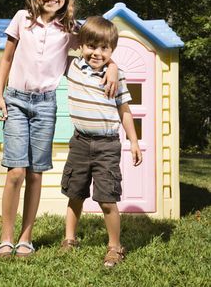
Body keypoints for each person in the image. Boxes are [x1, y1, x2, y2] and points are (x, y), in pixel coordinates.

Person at [0, 0, 119, 258]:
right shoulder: (21, 19)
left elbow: (94, 48)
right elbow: (7, 59)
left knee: (36, 173)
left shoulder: (70, 29)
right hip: (17, 100)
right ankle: (6, 236)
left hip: (46, 105)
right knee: (16, 172)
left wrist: (112, 65)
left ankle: (26, 238)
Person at [60, 16, 142, 267]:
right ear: (81, 45)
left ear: (112, 50)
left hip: (107, 145)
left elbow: (125, 110)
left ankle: (115, 247)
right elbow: (64, 30)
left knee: (107, 199)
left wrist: (134, 141)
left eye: (104, 48)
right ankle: (69, 239)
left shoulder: (116, 76)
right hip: (80, 142)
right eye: (91, 46)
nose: (97, 53)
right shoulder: (71, 66)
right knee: (75, 194)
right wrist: (81, 32)